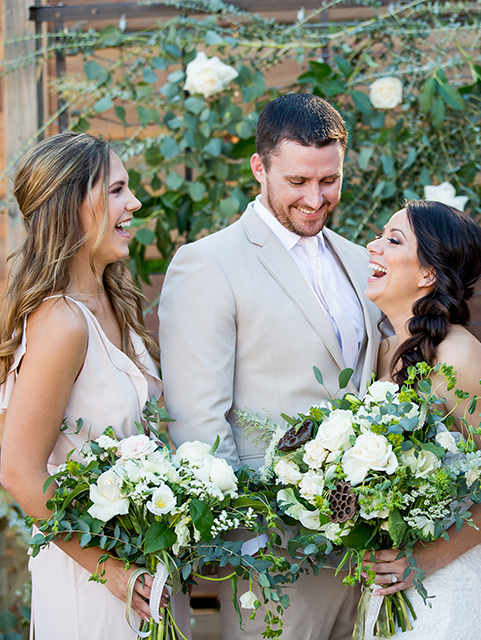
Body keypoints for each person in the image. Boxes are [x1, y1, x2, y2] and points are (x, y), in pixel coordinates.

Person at [158, 93, 384, 640]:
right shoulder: (207, 264)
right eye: (297, 182)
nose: (315, 198)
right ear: (259, 167)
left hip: (364, 555)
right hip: (271, 560)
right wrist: (246, 546)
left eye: (328, 181)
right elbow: (197, 422)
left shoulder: (362, 261)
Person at [0, 132, 191, 639]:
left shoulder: (116, 301)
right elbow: (19, 472)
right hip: (92, 581)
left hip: (145, 571)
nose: (135, 203)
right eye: (118, 190)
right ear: (74, 206)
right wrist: (110, 570)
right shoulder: (61, 323)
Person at [364, 200, 481, 638]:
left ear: (428, 274)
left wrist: (428, 559)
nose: (372, 245)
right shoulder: (381, 349)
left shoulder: (459, 356)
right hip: (386, 585)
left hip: (446, 587)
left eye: (392, 240)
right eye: (380, 235)